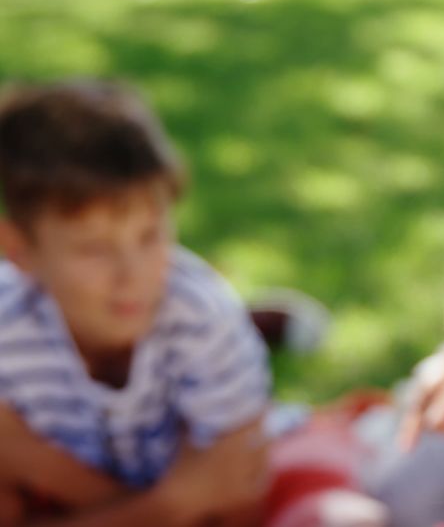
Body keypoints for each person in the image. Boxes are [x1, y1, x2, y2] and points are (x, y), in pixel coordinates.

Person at [0, 81, 270, 526]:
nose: (133, 275)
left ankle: (264, 324)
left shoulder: (201, 318)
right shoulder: (10, 328)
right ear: (20, 252)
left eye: (150, 235)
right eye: (94, 249)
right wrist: (174, 502)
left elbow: (239, 500)